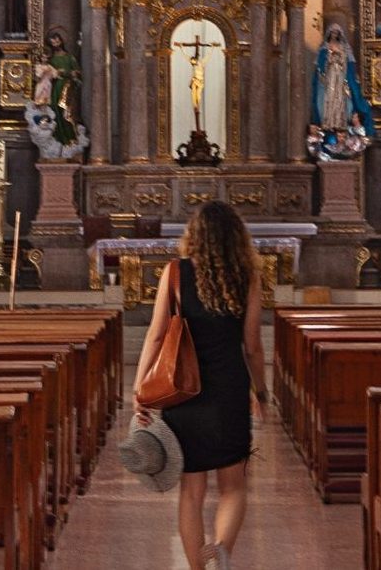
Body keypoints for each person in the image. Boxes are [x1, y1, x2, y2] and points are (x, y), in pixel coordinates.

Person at [133, 201, 267, 570]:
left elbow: (156, 335)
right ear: (235, 238)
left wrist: (140, 385)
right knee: (234, 487)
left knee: (192, 493)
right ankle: (222, 548)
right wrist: (261, 392)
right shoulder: (247, 276)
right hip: (229, 390)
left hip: (184, 390)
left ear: (195, 235)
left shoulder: (175, 273)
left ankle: (196, 567)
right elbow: (252, 345)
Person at [312, 21, 376, 139]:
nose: (334, 35)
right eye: (333, 33)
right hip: (330, 79)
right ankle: (330, 123)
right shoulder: (324, 48)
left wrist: (339, 53)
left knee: (341, 100)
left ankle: (341, 123)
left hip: (341, 78)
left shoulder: (344, 48)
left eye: (337, 33)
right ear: (329, 34)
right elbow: (321, 66)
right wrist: (330, 57)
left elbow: (347, 64)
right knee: (329, 101)